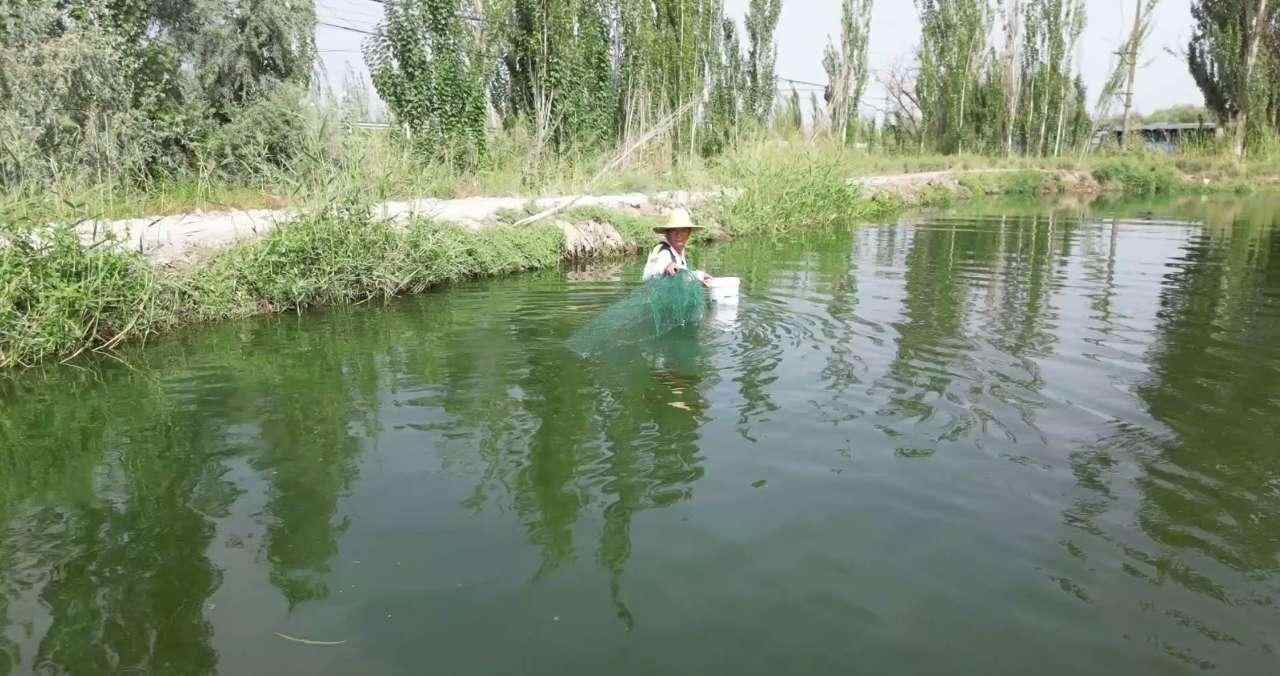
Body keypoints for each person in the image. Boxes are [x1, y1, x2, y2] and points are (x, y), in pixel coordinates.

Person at [642, 208, 713, 285]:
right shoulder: (663, 251)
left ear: (689, 233)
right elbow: (653, 272)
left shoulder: (679, 252)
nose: (679, 235)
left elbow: (682, 275)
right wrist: (667, 266)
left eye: (683, 230)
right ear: (667, 233)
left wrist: (699, 275)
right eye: (674, 230)